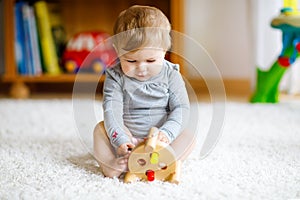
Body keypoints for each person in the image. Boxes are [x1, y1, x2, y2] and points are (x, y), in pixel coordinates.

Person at [93, 5, 195, 178]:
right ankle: (111, 165)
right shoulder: (115, 76)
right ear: (118, 52)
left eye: (150, 60)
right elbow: (112, 109)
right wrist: (121, 140)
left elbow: (182, 108)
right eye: (131, 60)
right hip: (128, 140)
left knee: (189, 136)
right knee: (100, 130)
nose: (141, 68)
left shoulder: (171, 74)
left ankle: (165, 162)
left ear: (164, 51)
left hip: (161, 141)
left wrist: (167, 133)